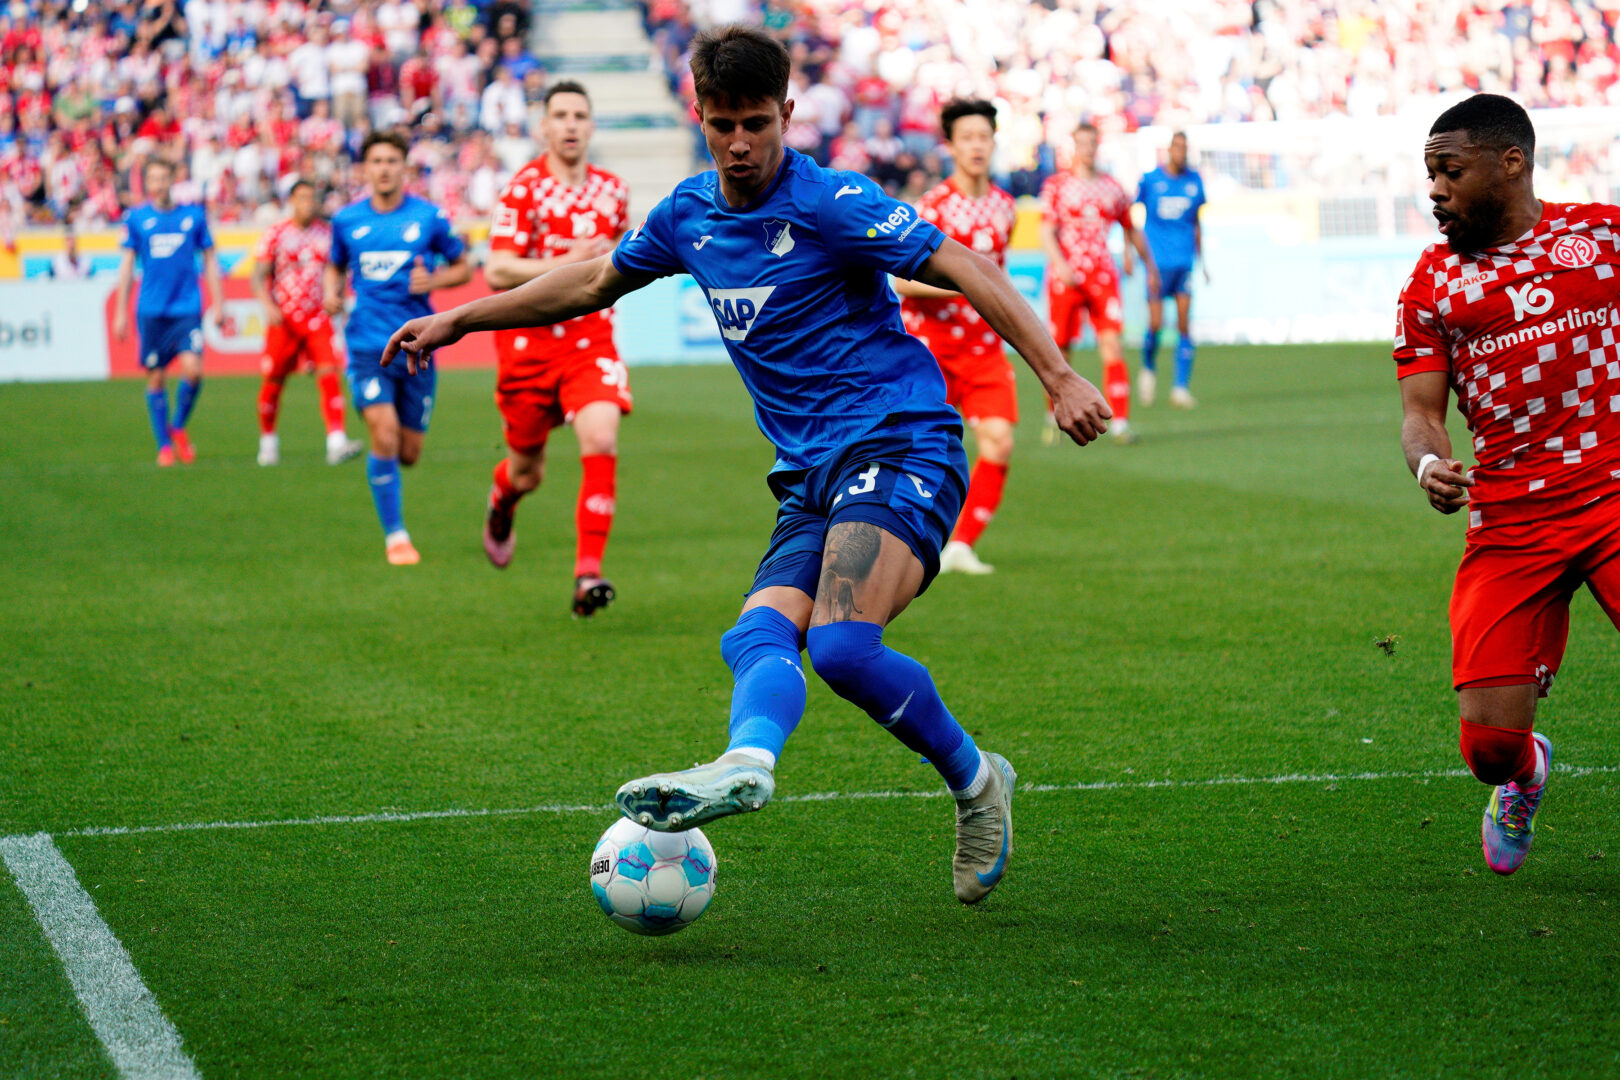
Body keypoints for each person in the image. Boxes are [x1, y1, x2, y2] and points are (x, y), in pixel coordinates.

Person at [383, 26, 1112, 904]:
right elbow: (591, 282)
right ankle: (747, 762)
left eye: (756, 124)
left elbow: (965, 263)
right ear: (698, 115)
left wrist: (1058, 375)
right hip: (807, 474)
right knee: (756, 634)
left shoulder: (832, 202)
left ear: (786, 115)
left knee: (839, 646)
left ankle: (978, 783)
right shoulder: (687, 215)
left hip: (899, 442)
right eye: (722, 124)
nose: (739, 144)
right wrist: (459, 319)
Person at [1395, 93, 1620, 876]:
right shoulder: (1432, 285)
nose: (1435, 190)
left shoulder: (1603, 238)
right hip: (1512, 522)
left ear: (1512, 162)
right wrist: (1429, 465)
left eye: (1450, 171)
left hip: (1613, 495)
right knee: (1489, 747)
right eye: (1430, 174)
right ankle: (1526, 773)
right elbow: (1421, 414)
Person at [482, 80, 631, 617]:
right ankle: (503, 499)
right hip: (528, 345)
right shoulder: (523, 189)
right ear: (543, 126)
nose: (570, 124)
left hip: (591, 340)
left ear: (591, 126)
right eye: (561, 115)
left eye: (579, 115)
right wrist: (565, 262)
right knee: (528, 472)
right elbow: (498, 270)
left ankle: (587, 573)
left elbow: (618, 262)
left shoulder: (613, 192)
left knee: (601, 435)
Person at [324, 131, 471, 565]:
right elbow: (334, 266)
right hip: (367, 346)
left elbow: (463, 268)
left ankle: (393, 501)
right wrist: (332, 292)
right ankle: (396, 537)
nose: (384, 168)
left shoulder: (429, 217)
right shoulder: (346, 220)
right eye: (376, 161)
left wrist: (436, 279)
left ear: (404, 168)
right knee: (383, 435)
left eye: (392, 160)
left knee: (409, 453)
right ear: (364, 169)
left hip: (417, 346)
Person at [892, 98, 1019, 576]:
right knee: (923, 454)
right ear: (950, 146)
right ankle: (904, 542)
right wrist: (966, 284)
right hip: (932, 349)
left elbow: (999, 274)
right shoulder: (932, 207)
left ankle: (961, 545)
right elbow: (901, 281)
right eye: (967, 138)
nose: (976, 146)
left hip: (984, 347)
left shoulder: (1005, 206)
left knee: (999, 442)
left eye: (983, 137)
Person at [1039, 123, 1157, 445]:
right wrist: (1060, 264)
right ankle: (1053, 416)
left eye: (1093, 142)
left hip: (1102, 275)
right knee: (1059, 351)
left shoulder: (1112, 187)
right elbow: (1046, 230)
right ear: (1074, 146)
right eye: (1083, 143)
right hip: (1067, 276)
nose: (1088, 148)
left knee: (1113, 345)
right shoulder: (1057, 185)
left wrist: (1145, 263)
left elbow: (1130, 226)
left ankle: (1120, 422)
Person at [112, 158, 222, 466]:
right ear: (147, 184)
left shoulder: (193, 216)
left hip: (186, 308)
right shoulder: (137, 218)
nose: (159, 184)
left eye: (164, 178)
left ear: (173, 180)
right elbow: (127, 266)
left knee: (194, 371)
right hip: (152, 310)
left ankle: (177, 426)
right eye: (154, 179)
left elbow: (210, 260)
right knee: (156, 377)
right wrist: (120, 311)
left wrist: (219, 302)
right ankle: (164, 445)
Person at [251, 178, 364, 467]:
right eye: (302, 198)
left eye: (312, 198)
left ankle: (336, 441)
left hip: (318, 317)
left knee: (329, 374)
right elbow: (258, 276)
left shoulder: (327, 234)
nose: (308, 204)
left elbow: (338, 270)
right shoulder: (276, 234)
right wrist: (268, 306)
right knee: (273, 381)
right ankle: (268, 443)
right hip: (285, 319)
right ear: (291, 201)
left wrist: (335, 295)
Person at [1135, 132, 1207, 409]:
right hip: (1157, 264)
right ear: (1169, 150)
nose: (1181, 152)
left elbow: (1197, 222)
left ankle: (1180, 388)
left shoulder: (1194, 181)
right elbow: (1133, 217)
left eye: (1184, 148)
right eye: (1177, 147)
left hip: (1183, 262)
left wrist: (1203, 261)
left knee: (1184, 324)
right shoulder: (1151, 180)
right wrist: (1133, 254)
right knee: (1156, 324)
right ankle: (1148, 369)